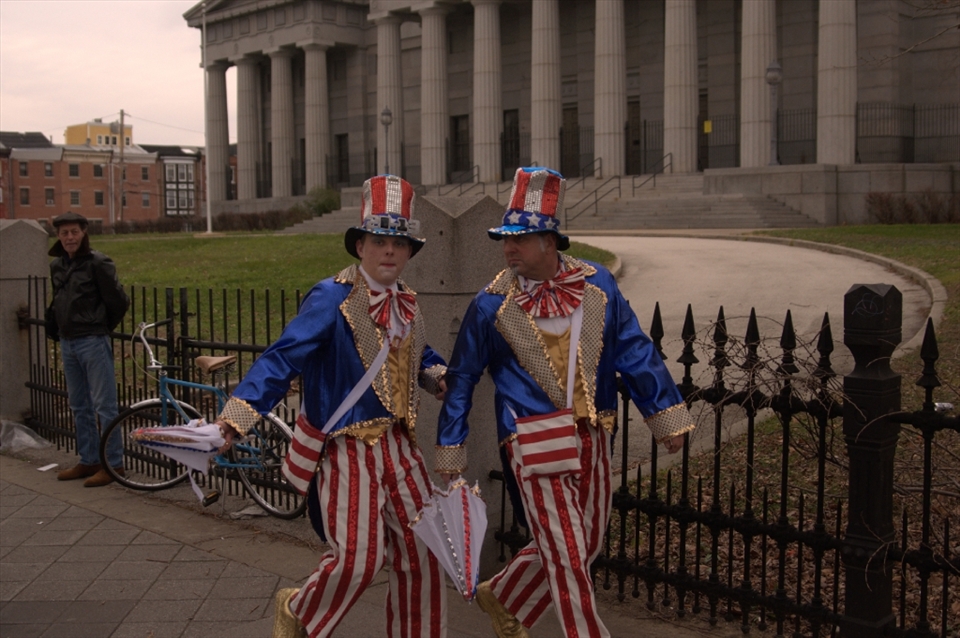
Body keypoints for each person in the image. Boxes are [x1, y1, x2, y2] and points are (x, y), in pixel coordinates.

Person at [435, 167, 695, 638]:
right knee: (568, 554)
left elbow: (634, 348)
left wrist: (665, 416)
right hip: (531, 438)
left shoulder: (599, 286)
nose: (509, 248)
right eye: (505, 238)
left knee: (587, 541)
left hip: (593, 430)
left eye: (521, 238)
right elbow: (462, 378)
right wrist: (451, 446)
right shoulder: (489, 305)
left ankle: (505, 595)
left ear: (550, 242)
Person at [214, 175, 449, 638]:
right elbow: (282, 357)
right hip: (348, 449)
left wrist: (436, 375)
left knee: (423, 554)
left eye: (399, 243)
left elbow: (417, 353)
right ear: (359, 246)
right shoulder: (332, 296)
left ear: (409, 252)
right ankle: (299, 609)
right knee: (360, 559)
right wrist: (236, 419)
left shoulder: (407, 303)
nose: (389, 251)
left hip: (401, 450)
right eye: (379, 241)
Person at [48, 211, 130, 487]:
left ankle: (113, 463)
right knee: (79, 405)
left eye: (74, 232)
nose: (69, 237)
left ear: (84, 232)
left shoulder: (98, 263)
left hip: (92, 341)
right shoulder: (58, 266)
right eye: (64, 233)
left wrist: (100, 326)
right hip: (68, 341)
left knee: (105, 406)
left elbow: (118, 301)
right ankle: (89, 459)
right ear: (58, 236)